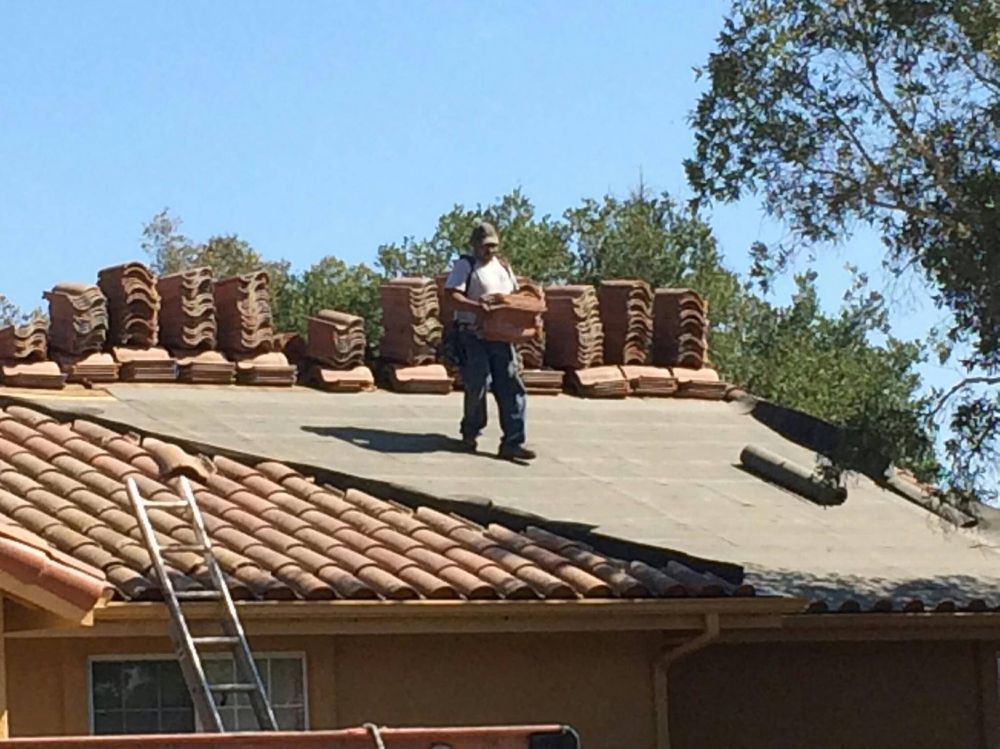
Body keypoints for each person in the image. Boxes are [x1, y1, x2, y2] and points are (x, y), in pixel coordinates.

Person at [444, 221, 536, 461]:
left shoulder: (503, 267)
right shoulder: (466, 266)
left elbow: (514, 296)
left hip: (501, 335)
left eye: (493, 246)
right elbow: (451, 295)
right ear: (474, 245)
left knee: (511, 385)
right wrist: (477, 308)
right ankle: (470, 431)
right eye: (485, 246)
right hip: (472, 333)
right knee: (479, 382)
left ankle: (513, 442)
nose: (489, 251)